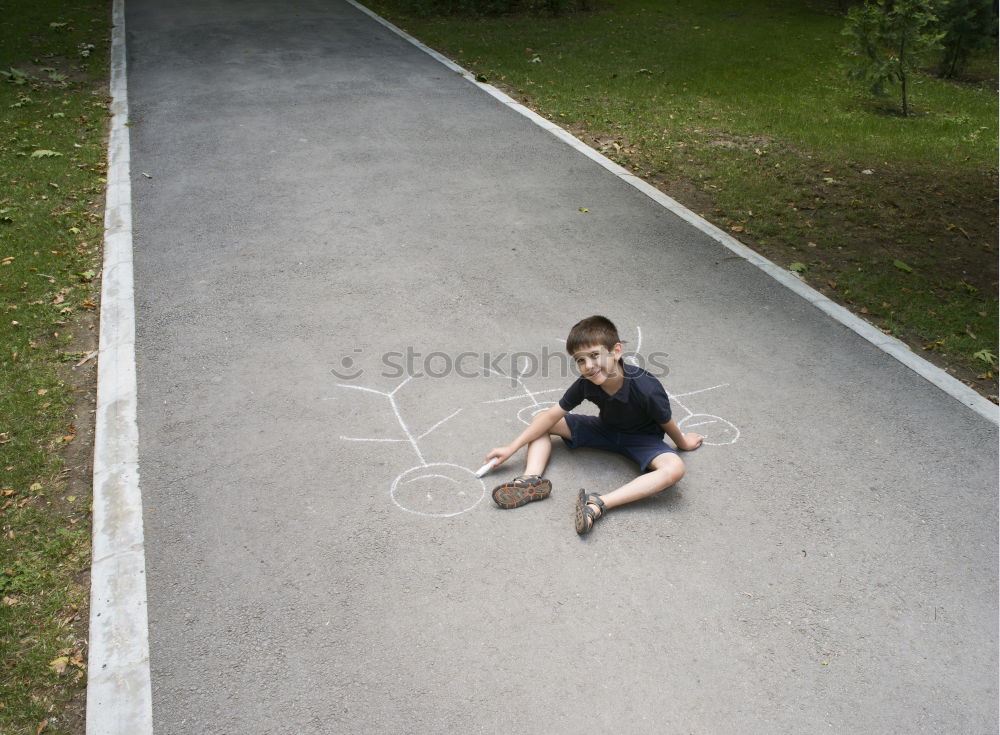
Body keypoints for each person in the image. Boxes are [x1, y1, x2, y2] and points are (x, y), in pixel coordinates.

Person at [484, 315, 703, 534]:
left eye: (594, 355)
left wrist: (682, 443)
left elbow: (666, 421)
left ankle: (598, 504)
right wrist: (511, 448)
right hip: (605, 430)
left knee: (675, 469)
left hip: (643, 441)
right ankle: (530, 480)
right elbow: (551, 417)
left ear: (616, 351)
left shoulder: (646, 388)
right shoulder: (586, 384)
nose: (588, 365)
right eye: (580, 360)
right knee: (541, 419)